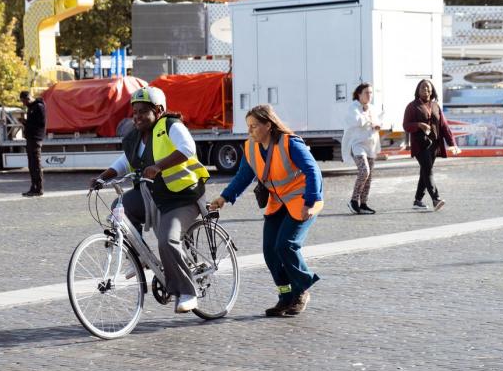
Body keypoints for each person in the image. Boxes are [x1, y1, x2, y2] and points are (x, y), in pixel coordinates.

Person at [90, 86, 210, 313]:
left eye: (143, 111)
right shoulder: (136, 137)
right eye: (134, 112)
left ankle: (187, 291)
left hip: (183, 197)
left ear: (158, 110)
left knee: (167, 240)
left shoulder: (170, 126)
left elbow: (188, 148)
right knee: (120, 207)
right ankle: (141, 257)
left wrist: (158, 167)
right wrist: (101, 178)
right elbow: (125, 161)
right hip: (154, 195)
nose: (136, 117)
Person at [210, 104, 324, 317]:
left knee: (286, 245)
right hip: (278, 202)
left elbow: (312, 171)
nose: (250, 131)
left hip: (302, 200)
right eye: (248, 127)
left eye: (254, 126)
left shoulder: (290, 144)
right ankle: (285, 296)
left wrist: (310, 201)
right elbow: (243, 177)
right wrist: (224, 197)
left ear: (268, 125)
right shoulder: (250, 147)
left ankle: (301, 290)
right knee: (270, 251)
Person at [403, 79, 461, 211]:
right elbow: (406, 125)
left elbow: (444, 125)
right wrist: (419, 125)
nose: (426, 90)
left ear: (432, 90)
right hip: (419, 145)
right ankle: (436, 199)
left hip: (434, 145)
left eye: (428, 88)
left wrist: (452, 143)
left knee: (425, 171)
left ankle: (418, 200)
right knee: (428, 170)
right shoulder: (412, 106)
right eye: (423, 88)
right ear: (418, 90)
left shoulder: (436, 106)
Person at [342, 83, 381, 214]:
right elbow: (357, 121)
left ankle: (363, 204)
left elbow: (378, 121)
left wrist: (377, 125)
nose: (369, 95)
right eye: (366, 93)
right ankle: (353, 201)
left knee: (369, 176)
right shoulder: (353, 108)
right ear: (359, 94)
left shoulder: (372, 108)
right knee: (364, 171)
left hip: (371, 145)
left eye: (371, 93)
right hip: (357, 145)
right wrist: (368, 119)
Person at [19, 91, 45, 197]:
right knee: (32, 164)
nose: (24, 103)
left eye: (25, 101)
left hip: (35, 138)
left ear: (29, 98)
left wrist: (25, 122)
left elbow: (40, 123)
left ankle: (38, 188)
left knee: (35, 164)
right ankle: (34, 186)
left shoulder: (38, 106)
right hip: (31, 138)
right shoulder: (31, 107)